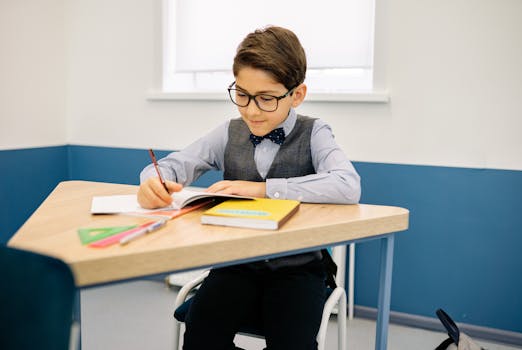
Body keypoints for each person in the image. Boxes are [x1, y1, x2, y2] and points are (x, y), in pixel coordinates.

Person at [138, 26, 361, 350]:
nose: (251, 110)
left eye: (266, 99)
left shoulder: (315, 133)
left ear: (296, 94)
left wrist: (261, 189)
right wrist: (151, 180)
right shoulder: (228, 132)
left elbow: (347, 184)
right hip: (235, 265)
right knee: (200, 338)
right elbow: (176, 164)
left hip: (297, 270)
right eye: (241, 94)